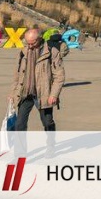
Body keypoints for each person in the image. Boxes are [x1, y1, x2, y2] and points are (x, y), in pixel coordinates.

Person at [9, 28, 65, 158]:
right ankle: (20, 155)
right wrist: (12, 93)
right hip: (25, 93)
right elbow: (17, 74)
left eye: (32, 43)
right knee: (19, 124)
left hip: (43, 94)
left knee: (47, 123)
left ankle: (51, 146)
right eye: (27, 43)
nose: (29, 46)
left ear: (39, 40)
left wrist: (54, 95)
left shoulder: (51, 52)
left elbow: (59, 76)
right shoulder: (23, 52)